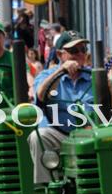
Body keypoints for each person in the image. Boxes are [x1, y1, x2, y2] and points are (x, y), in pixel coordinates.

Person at [29, 34, 93, 183]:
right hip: (59, 135)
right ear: (60, 54)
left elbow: (108, 105)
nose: (80, 54)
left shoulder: (93, 77)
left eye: (83, 50)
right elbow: (41, 96)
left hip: (87, 134)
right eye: (74, 51)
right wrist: (60, 72)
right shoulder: (46, 75)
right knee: (38, 136)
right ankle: (49, 189)